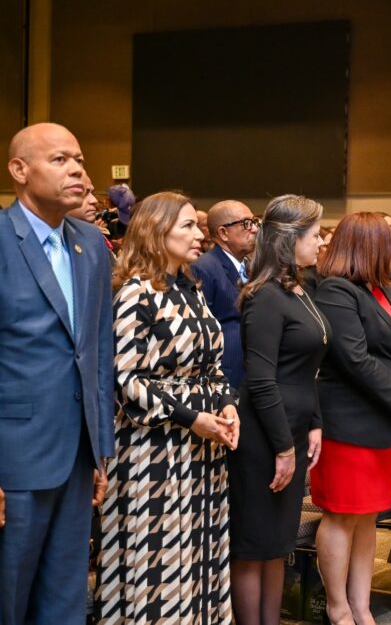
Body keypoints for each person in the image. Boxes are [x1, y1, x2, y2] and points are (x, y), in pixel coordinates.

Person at [95, 191, 239, 622]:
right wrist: (192, 418)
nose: (200, 235)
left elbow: (212, 365)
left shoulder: (191, 289)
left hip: (202, 445)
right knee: (158, 556)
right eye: (188, 227)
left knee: (198, 550)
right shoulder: (135, 292)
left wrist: (228, 405)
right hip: (152, 450)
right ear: (156, 232)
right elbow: (125, 378)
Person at [0, 123, 114, 625]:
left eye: (80, 159)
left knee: (65, 598)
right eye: (61, 160)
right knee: (9, 595)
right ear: (20, 171)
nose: (79, 172)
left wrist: (101, 451)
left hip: (77, 455)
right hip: (14, 459)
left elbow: (98, 354)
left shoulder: (89, 244)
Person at [312, 212, 391, 625]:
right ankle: (337, 606)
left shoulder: (384, 289)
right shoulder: (336, 291)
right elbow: (355, 360)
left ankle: (361, 605)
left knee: (367, 519)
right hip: (349, 423)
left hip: (383, 421)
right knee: (342, 515)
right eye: (390, 238)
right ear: (367, 244)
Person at [230, 194, 328, 624]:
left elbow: (311, 368)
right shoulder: (265, 296)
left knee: (278, 543)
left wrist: (315, 424)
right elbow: (262, 378)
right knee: (255, 544)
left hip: (293, 425)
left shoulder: (300, 289)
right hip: (264, 434)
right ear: (289, 241)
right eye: (315, 234)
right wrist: (282, 448)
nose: (322, 242)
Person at [191, 200, 259, 389]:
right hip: (226, 376)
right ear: (223, 233)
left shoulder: (251, 266)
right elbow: (201, 331)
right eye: (246, 223)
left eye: (254, 222)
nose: (253, 229)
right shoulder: (204, 267)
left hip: (251, 372)